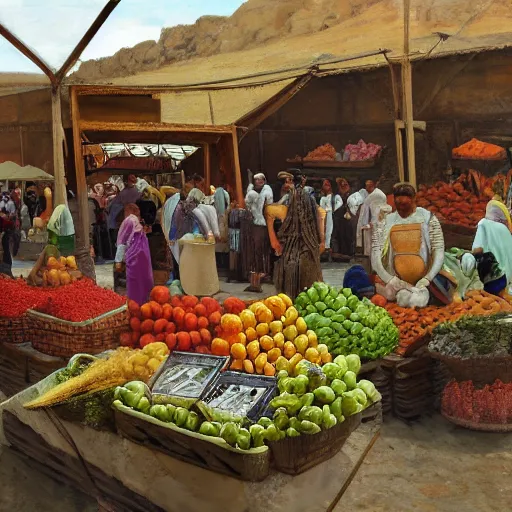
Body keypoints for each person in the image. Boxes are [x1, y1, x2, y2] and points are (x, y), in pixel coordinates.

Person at [371, 182, 445, 308]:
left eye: (405, 204)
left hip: (425, 281)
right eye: (398, 205)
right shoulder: (385, 222)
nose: (401, 208)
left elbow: (439, 251)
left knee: (418, 301)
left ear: (414, 199)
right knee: (402, 299)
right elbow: (376, 255)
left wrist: (427, 278)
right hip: (395, 282)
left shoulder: (428, 219)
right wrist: (390, 279)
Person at [269, 176, 325, 298]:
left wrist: (273, 237)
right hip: (307, 245)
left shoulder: (288, 198)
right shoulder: (309, 198)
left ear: (291, 182)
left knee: (289, 283)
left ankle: (290, 303)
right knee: (309, 287)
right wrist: (322, 240)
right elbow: (320, 216)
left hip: (292, 246)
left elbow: (270, 212)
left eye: (288, 181)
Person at [115, 204, 154, 306]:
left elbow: (122, 241)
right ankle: (144, 304)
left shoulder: (129, 220)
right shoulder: (137, 223)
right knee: (144, 280)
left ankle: (134, 305)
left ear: (128, 211)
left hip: (134, 257)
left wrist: (118, 260)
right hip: (143, 257)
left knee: (134, 282)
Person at [472, 199, 512, 287]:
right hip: (508, 279)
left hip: (494, 279)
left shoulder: (484, 224)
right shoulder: (505, 230)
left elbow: (477, 250)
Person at [244, 173, 274, 279]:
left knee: (262, 248)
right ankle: (257, 270)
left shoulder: (266, 191)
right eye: (256, 180)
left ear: (264, 180)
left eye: (260, 179)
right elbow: (248, 204)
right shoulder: (252, 192)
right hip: (255, 223)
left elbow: (267, 206)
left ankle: (263, 271)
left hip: (263, 224)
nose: (258, 181)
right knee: (256, 248)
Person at [356, 187, 390, 255]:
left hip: (379, 236)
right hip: (375, 236)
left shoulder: (383, 209)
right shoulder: (378, 207)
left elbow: (377, 222)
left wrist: (367, 225)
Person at [333, 177, 355, 258]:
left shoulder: (352, 195)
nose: (343, 186)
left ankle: (349, 252)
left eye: (345, 184)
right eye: (341, 184)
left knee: (349, 234)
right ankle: (341, 252)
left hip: (349, 218)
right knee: (340, 234)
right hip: (339, 218)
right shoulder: (337, 196)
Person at [319, 179, 342, 253]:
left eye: (328, 183)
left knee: (333, 232)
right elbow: (322, 208)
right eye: (324, 184)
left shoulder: (336, 196)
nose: (326, 185)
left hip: (334, 216)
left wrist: (333, 209)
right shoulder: (323, 198)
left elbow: (340, 203)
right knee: (327, 231)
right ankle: (326, 247)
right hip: (326, 215)